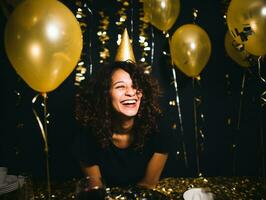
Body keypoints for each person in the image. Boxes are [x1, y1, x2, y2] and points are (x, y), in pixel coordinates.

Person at [72, 29, 170, 191]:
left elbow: (148, 185)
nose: (131, 92)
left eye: (135, 86)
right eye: (120, 86)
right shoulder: (87, 134)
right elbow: (97, 189)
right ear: (105, 94)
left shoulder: (158, 127)